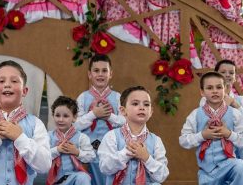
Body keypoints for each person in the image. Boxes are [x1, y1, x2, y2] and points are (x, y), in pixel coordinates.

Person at [179, 72, 243, 185]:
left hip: (230, 166)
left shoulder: (235, 114)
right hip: (206, 172)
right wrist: (202, 135)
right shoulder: (195, 114)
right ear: (202, 92)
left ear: (225, 90)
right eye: (209, 88)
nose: (215, 91)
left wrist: (229, 134)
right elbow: (183, 140)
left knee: (242, 167)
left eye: (219, 87)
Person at [200, 60, 243, 183]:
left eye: (231, 72)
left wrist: (235, 105)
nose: (228, 75)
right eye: (223, 72)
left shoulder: (241, 101)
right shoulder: (205, 99)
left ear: (235, 78)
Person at [98, 86, 169, 184]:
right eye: (135, 103)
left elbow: (162, 176)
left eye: (146, 104)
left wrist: (146, 158)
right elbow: (105, 168)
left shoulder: (156, 141)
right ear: (123, 111)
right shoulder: (111, 136)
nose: (142, 107)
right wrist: (126, 152)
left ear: (151, 112)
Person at [75, 54, 125, 185]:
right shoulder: (83, 97)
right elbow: (76, 125)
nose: (100, 74)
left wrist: (109, 116)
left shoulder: (118, 97)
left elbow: (125, 122)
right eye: (96, 71)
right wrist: (94, 114)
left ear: (111, 74)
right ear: (89, 74)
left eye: (104, 70)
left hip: (112, 150)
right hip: (88, 150)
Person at [47, 96, 95, 185]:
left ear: (74, 117)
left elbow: (91, 157)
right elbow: (42, 156)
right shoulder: (48, 136)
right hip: (55, 180)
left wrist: (77, 152)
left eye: (65, 116)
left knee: (84, 177)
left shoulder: (82, 137)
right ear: (53, 116)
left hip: (74, 178)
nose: (61, 119)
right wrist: (57, 150)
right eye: (57, 115)